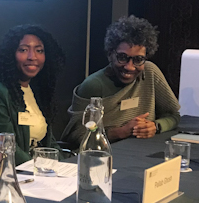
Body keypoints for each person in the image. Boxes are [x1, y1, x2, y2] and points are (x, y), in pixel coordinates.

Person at [61, 15, 181, 146]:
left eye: (138, 60)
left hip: (143, 151)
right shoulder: (93, 85)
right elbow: (75, 136)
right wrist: (120, 132)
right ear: (110, 54)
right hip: (105, 156)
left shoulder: (150, 73)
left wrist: (155, 126)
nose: (129, 67)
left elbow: (174, 116)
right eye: (122, 57)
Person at [0, 25, 66, 165]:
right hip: (3, 172)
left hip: (35, 170)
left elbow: (49, 143)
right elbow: (8, 149)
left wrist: (63, 166)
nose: (32, 57)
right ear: (11, 54)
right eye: (23, 50)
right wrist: (37, 171)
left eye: (39, 50)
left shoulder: (36, 91)